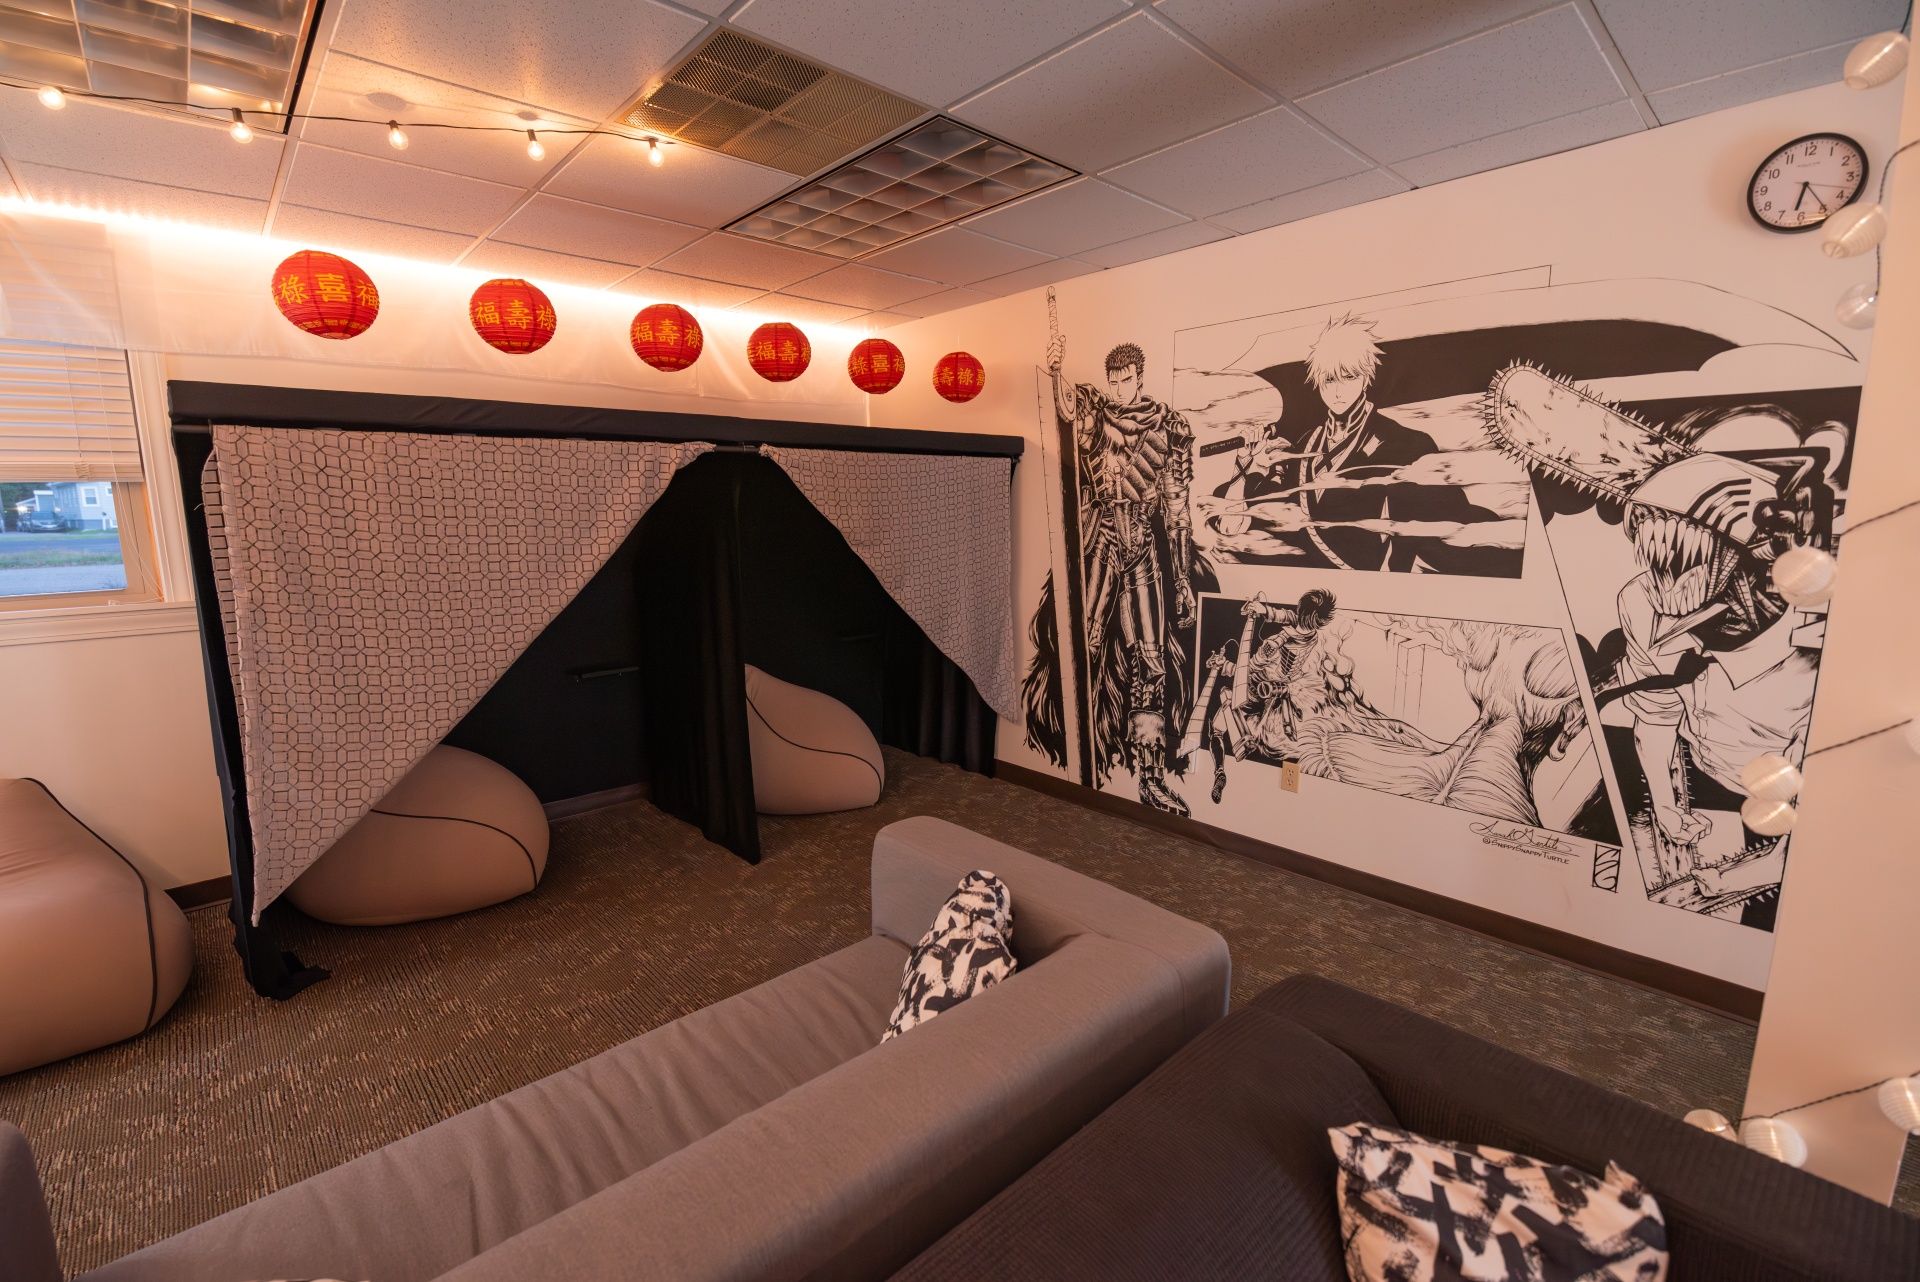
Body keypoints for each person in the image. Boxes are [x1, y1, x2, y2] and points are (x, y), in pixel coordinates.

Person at [1049, 333, 1203, 815]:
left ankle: (1150, 777)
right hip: (1100, 541)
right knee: (1085, 643)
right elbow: (1069, 407)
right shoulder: (1098, 414)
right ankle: (1079, 758)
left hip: (1141, 547)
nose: (1118, 388)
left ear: (1139, 377)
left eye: (1125, 380)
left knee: (1151, 660)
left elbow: (1177, 511)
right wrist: (1056, 369)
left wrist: (1182, 579)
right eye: (1112, 381)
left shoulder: (1169, 427)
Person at [1227, 313, 1459, 572]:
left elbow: (1433, 531)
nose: (1337, 391)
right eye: (1329, 379)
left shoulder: (1406, 444)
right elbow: (1233, 525)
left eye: (1348, 377)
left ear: (1366, 377)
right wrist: (1245, 463)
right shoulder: (1304, 446)